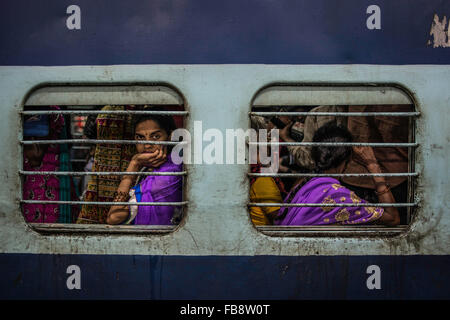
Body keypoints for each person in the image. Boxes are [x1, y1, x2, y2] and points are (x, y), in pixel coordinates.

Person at [274, 122, 400, 226]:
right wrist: (372, 165)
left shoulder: (305, 182)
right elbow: (392, 218)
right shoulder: (337, 195)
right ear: (348, 159)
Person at [106, 112, 182, 225]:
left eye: (155, 137)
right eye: (140, 137)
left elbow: (114, 217)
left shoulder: (169, 174)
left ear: (170, 136)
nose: (147, 145)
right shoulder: (148, 169)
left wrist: (134, 163)